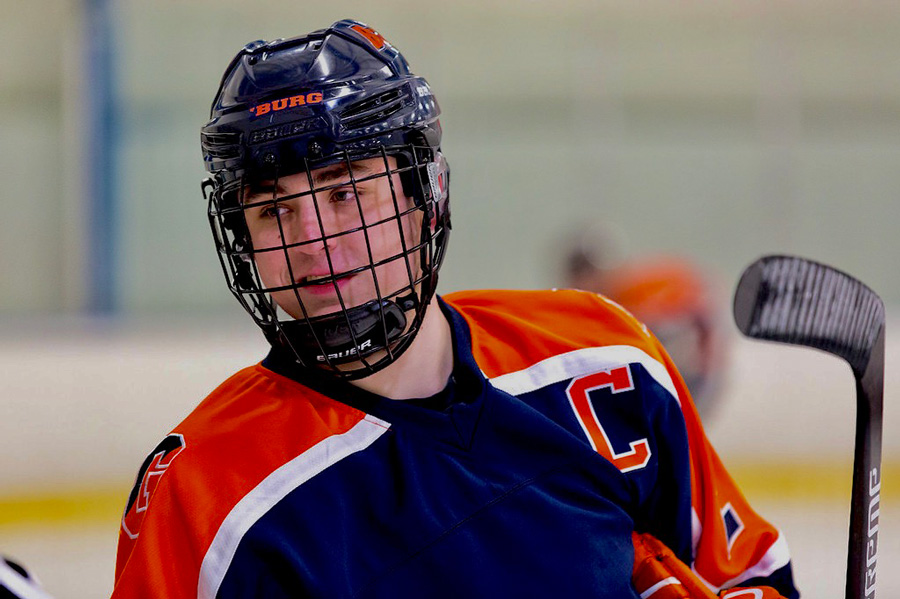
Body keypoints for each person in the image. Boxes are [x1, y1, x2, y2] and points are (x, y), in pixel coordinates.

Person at [112, 20, 798, 598]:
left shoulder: (602, 359)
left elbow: (752, 575)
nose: (311, 241)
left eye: (345, 191)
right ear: (241, 240)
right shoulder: (200, 496)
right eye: (272, 209)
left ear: (422, 193)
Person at [563, 228, 729, 421]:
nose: (586, 282)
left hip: (686, 366)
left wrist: (709, 359)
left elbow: (705, 307)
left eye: (587, 273)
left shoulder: (646, 287)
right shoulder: (597, 307)